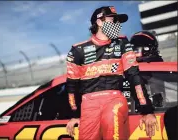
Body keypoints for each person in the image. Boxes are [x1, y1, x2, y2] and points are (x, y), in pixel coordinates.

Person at [66, 6, 159, 140]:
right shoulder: (77, 50)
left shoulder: (122, 44)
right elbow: (71, 86)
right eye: (113, 20)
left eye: (118, 21)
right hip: (88, 104)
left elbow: (134, 77)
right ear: (99, 22)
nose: (117, 24)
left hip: (114, 99)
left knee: (112, 115)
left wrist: (147, 110)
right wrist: (74, 115)